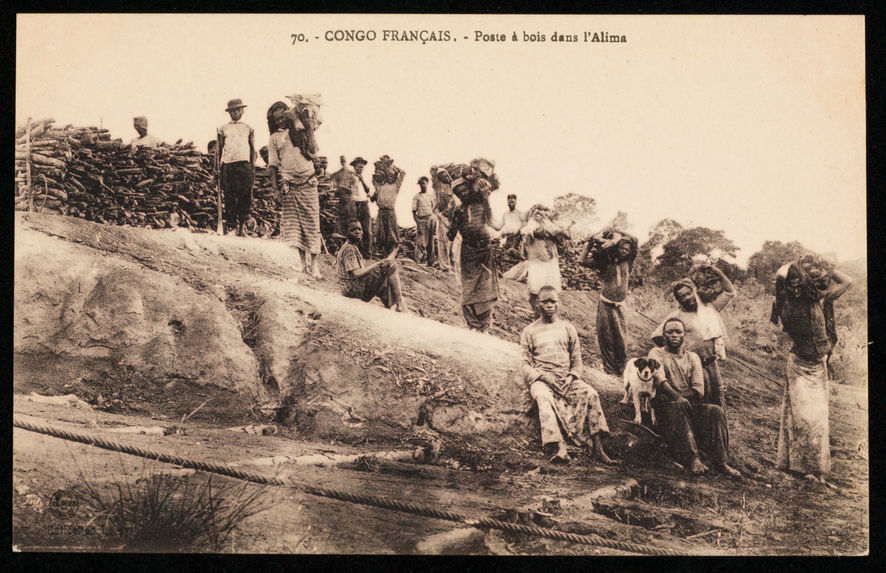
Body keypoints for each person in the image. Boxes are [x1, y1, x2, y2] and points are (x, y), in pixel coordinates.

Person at [770, 255, 852, 483]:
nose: (795, 287)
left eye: (799, 282)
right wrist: (791, 269)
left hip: (819, 364)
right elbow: (779, 276)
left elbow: (847, 282)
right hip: (798, 365)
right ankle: (800, 467)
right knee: (801, 417)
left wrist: (826, 265)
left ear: (806, 282)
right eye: (791, 283)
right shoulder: (783, 303)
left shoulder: (820, 301)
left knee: (817, 418)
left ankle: (815, 468)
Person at [521, 286, 616, 465]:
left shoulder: (567, 328)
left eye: (553, 301)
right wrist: (543, 377)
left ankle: (598, 448)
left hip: (566, 378)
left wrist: (572, 377)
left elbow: (577, 361)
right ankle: (560, 448)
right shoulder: (529, 331)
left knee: (591, 394)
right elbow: (525, 364)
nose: (549, 305)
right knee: (543, 397)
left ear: (558, 303)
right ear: (537, 303)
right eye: (545, 302)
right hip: (543, 379)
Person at [648, 318, 740, 477]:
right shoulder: (657, 353)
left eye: (678, 332)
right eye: (670, 332)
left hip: (689, 403)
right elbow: (659, 379)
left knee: (715, 411)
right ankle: (692, 459)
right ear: (664, 335)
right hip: (666, 405)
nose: (674, 335)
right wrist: (677, 397)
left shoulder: (693, 357)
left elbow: (698, 389)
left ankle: (721, 462)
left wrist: (684, 398)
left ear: (684, 335)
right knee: (676, 406)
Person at [651, 265, 736, 409]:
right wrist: (676, 353)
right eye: (681, 296)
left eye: (688, 293)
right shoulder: (676, 317)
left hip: (711, 363)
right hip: (692, 365)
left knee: (717, 398)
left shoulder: (710, 308)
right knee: (698, 399)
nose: (686, 298)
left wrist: (716, 271)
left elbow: (730, 292)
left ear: (694, 291)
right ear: (678, 300)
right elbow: (657, 336)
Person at [268, 106, 322, 278]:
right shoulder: (274, 138)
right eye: (276, 119)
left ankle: (314, 265)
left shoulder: (300, 132)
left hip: (308, 182)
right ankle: (301, 262)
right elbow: (273, 166)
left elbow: (314, 150)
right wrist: (275, 189)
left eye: (283, 117)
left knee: (312, 224)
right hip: (290, 186)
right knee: (296, 226)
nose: (280, 121)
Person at [581, 227, 638, 376]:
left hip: (620, 305)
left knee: (621, 340)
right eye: (622, 248)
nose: (624, 251)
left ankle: (622, 372)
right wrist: (590, 243)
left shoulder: (629, 262)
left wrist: (618, 230)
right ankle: (610, 373)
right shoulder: (606, 261)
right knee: (606, 339)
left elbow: (635, 240)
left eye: (627, 249)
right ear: (616, 248)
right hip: (605, 304)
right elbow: (582, 260)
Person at [447, 180, 499, 332]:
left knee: (486, 288)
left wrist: (486, 198)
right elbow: (451, 235)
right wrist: (449, 220)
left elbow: (491, 222)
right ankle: (473, 325)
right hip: (468, 252)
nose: (463, 194)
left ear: (470, 190)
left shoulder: (482, 205)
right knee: (468, 289)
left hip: (484, 250)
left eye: (465, 190)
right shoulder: (458, 210)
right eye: (459, 192)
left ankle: (484, 325)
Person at [335, 220, 409, 312]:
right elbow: (356, 273)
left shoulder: (351, 247)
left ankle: (394, 306)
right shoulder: (349, 249)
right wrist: (377, 264)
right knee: (388, 265)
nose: (358, 232)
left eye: (359, 229)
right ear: (346, 232)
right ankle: (400, 303)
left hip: (351, 288)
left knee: (383, 279)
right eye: (353, 230)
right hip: (352, 291)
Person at [520, 204, 570, 317]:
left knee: (551, 289)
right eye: (538, 212)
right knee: (535, 289)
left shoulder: (551, 224)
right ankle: (537, 313)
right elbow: (526, 231)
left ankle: (549, 314)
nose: (540, 214)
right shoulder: (531, 224)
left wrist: (556, 235)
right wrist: (542, 233)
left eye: (543, 212)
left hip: (550, 260)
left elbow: (562, 235)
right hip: (537, 260)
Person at [216, 98, 256, 237]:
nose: (236, 113)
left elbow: (252, 148)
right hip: (228, 165)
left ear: (243, 111)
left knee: (245, 196)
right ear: (229, 112)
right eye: (233, 110)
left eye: (238, 110)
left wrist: (252, 166)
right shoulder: (223, 128)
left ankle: (242, 228)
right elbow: (219, 149)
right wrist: (217, 167)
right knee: (229, 196)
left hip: (244, 164)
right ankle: (231, 227)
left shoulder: (248, 127)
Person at [371, 161, 405, 258]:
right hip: (381, 211)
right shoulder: (379, 185)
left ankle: (393, 253)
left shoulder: (395, 185)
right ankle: (382, 253)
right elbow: (374, 179)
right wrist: (383, 168)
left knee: (392, 233)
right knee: (381, 232)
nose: (390, 176)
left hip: (390, 211)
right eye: (388, 174)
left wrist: (392, 167)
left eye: (392, 175)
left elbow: (403, 173)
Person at [345, 157, 373, 257]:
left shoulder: (364, 178)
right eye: (358, 167)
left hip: (364, 204)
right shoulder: (350, 177)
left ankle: (367, 253)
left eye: (361, 167)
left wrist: (362, 180)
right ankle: (356, 252)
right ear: (354, 167)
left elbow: (368, 190)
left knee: (367, 229)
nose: (360, 169)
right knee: (354, 228)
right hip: (354, 204)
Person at [431, 167, 457, 272]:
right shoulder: (438, 189)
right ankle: (445, 266)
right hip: (443, 218)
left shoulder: (453, 187)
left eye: (446, 175)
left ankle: (453, 265)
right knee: (443, 242)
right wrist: (440, 216)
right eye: (442, 176)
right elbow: (436, 206)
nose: (445, 177)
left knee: (453, 243)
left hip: (453, 218)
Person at [412, 176, 437, 267]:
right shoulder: (416, 197)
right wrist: (417, 222)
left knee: (431, 242)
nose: (422, 185)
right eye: (420, 184)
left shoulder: (431, 196)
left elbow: (434, 209)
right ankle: (417, 261)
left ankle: (431, 262)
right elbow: (414, 211)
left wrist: (434, 221)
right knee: (421, 242)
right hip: (422, 220)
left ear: (427, 183)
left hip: (430, 219)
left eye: (423, 183)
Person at [330, 155, 354, 238]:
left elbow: (353, 190)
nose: (343, 162)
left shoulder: (351, 174)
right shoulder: (336, 174)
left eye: (344, 161)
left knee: (350, 221)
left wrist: (342, 187)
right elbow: (334, 188)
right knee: (340, 221)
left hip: (350, 200)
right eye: (341, 161)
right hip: (340, 201)